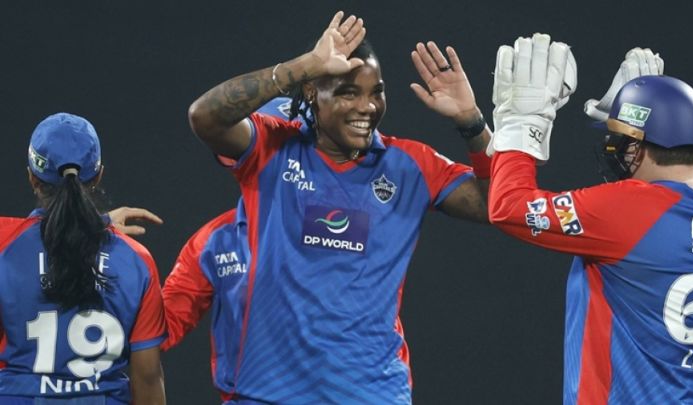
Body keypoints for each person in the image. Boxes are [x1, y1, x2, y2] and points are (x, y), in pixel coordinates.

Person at [187, 11, 494, 403]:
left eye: (376, 92)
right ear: (312, 93)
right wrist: (304, 66)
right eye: (349, 93)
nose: (367, 107)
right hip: (267, 393)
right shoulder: (271, 146)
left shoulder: (410, 165)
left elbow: (496, 204)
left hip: (371, 394)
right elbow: (205, 117)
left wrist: (472, 123)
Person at [487, 34, 693, 403]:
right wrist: (630, 118)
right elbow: (645, 225)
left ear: (637, 147)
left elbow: (508, 205)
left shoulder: (628, 210)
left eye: (621, 142)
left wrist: (522, 124)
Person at [162, 97, 409, 402]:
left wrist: (465, 122)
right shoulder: (214, 241)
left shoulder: (348, 226)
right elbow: (158, 330)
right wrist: (112, 249)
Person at [0, 113, 167, 405]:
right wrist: (100, 226)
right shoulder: (135, 260)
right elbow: (148, 379)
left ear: (32, 177)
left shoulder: (5, 244)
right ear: (98, 175)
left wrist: (99, 224)